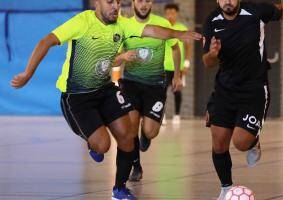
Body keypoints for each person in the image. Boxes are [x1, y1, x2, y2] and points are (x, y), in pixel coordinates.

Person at [11, 0, 201, 199]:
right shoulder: (82, 22)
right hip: (77, 96)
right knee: (102, 146)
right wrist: (27, 73)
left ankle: (119, 189)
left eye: (118, 2)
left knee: (127, 135)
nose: (115, 6)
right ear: (97, 3)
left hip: (105, 90)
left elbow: (151, 30)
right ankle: (92, 140)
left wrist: (178, 34)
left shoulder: (122, 24)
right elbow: (46, 41)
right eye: (110, 2)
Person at [202, 0, 283, 199]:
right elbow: (207, 62)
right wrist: (212, 53)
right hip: (224, 89)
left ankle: (253, 141)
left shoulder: (258, 10)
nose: (228, 1)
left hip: (254, 89)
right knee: (219, 143)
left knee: (241, 143)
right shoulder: (211, 21)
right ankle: (226, 188)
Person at [116, 0, 183, 182]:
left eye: (147, 0)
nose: (143, 4)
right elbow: (114, 57)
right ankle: (136, 166)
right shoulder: (124, 25)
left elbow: (176, 49)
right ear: (133, 3)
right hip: (131, 83)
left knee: (150, 131)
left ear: (152, 2)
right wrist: (122, 57)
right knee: (130, 128)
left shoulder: (162, 23)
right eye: (140, 0)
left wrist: (177, 76)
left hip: (155, 85)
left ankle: (146, 134)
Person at [164, 3, 192, 124]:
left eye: (173, 12)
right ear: (165, 13)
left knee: (177, 92)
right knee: (161, 92)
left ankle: (176, 115)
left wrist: (186, 64)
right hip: (163, 67)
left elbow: (188, 47)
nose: (170, 15)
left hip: (177, 68)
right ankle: (162, 116)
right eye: (168, 12)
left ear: (177, 13)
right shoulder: (161, 28)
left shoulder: (182, 28)